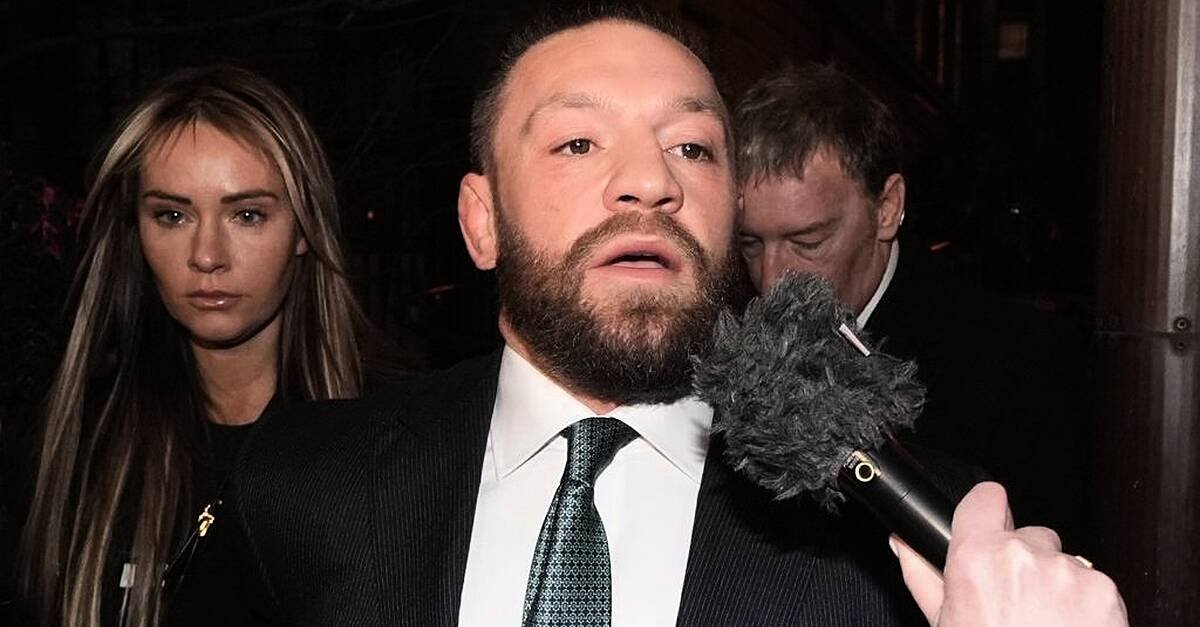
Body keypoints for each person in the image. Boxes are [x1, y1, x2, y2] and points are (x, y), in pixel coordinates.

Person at [172, 7, 1125, 626]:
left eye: (692, 148)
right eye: (578, 142)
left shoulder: (908, 541)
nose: (647, 181)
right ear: (480, 219)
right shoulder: (298, 486)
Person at [7, 65, 382, 627]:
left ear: (304, 229)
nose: (207, 255)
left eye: (247, 215)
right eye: (173, 215)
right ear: (137, 229)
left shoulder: (398, 444)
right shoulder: (75, 447)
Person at [734, 64, 1088, 547]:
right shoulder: (726, 354)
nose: (772, 279)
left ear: (886, 208)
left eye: (808, 241)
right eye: (750, 244)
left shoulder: (1015, 364)